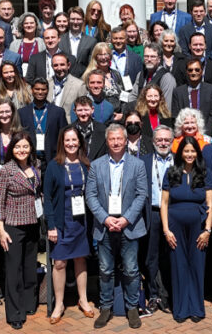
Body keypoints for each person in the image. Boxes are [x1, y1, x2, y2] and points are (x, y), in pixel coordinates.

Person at [86, 124, 149, 329]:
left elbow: (141, 195)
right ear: (107, 141)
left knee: (131, 269)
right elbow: (90, 195)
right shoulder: (96, 165)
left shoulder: (137, 165)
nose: (115, 142)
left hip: (128, 225)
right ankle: (106, 307)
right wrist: (105, 218)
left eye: (119, 139)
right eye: (112, 139)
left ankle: (132, 308)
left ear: (125, 140)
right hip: (105, 225)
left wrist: (126, 219)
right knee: (105, 269)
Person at [43, 126, 96, 323]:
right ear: (62, 143)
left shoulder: (86, 165)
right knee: (59, 263)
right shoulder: (54, 166)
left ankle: (83, 299)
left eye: (74, 140)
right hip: (61, 221)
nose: (71, 144)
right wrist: (51, 225)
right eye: (67, 140)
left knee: (81, 259)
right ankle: (59, 303)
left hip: (81, 221)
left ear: (80, 142)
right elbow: (47, 198)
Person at [160, 136, 212, 322]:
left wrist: (207, 230)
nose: (189, 154)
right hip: (175, 227)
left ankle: (196, 309)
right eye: (186, 151)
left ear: (197, 153)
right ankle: (181, 309)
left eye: (193, 151)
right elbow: (164, 204)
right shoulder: (171, 173)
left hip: (198, 226)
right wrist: (166, 230)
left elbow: (209, 203)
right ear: (180, 152)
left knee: (196, 265)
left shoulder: (205, 173)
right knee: (178, 265)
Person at [0, 132, 42, 329]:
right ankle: (14, 313)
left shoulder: (36, 166)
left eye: (25, 147)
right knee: (14, 270)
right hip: (13, 225)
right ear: (11, 149)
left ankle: (29, 303)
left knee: (30, 267)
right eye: (17, 147)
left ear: (30, 148)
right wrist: (1, 229)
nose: (21, 150)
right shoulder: (5, 171)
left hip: (33, 223)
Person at [143, 126, 176, 315]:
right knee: (152, 256)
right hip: (152, 213)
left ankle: (168, 296)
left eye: (166, 140)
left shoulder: (178, 162)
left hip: (173, 213)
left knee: (170, 255)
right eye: (159, 140)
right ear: (153, 142)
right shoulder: (144, 161)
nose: (163, 143)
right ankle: (154, 295)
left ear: (172, 141)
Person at [18, 79, 68, 163]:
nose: (40, 92)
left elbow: (64, 136)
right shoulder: (22, 112)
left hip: (52, 159)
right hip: (29, 159)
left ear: (48, 90)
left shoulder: (58, 112)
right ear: (31, 90)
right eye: (37, 89)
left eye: (43, 89)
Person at [170, 57, 212, 124]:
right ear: (186, 72)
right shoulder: (178, 92)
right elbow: (175, 116)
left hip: (206, 132)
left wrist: (204, 132)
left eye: (197, 70)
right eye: (190, 70)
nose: (193, 72)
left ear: (202, 71)